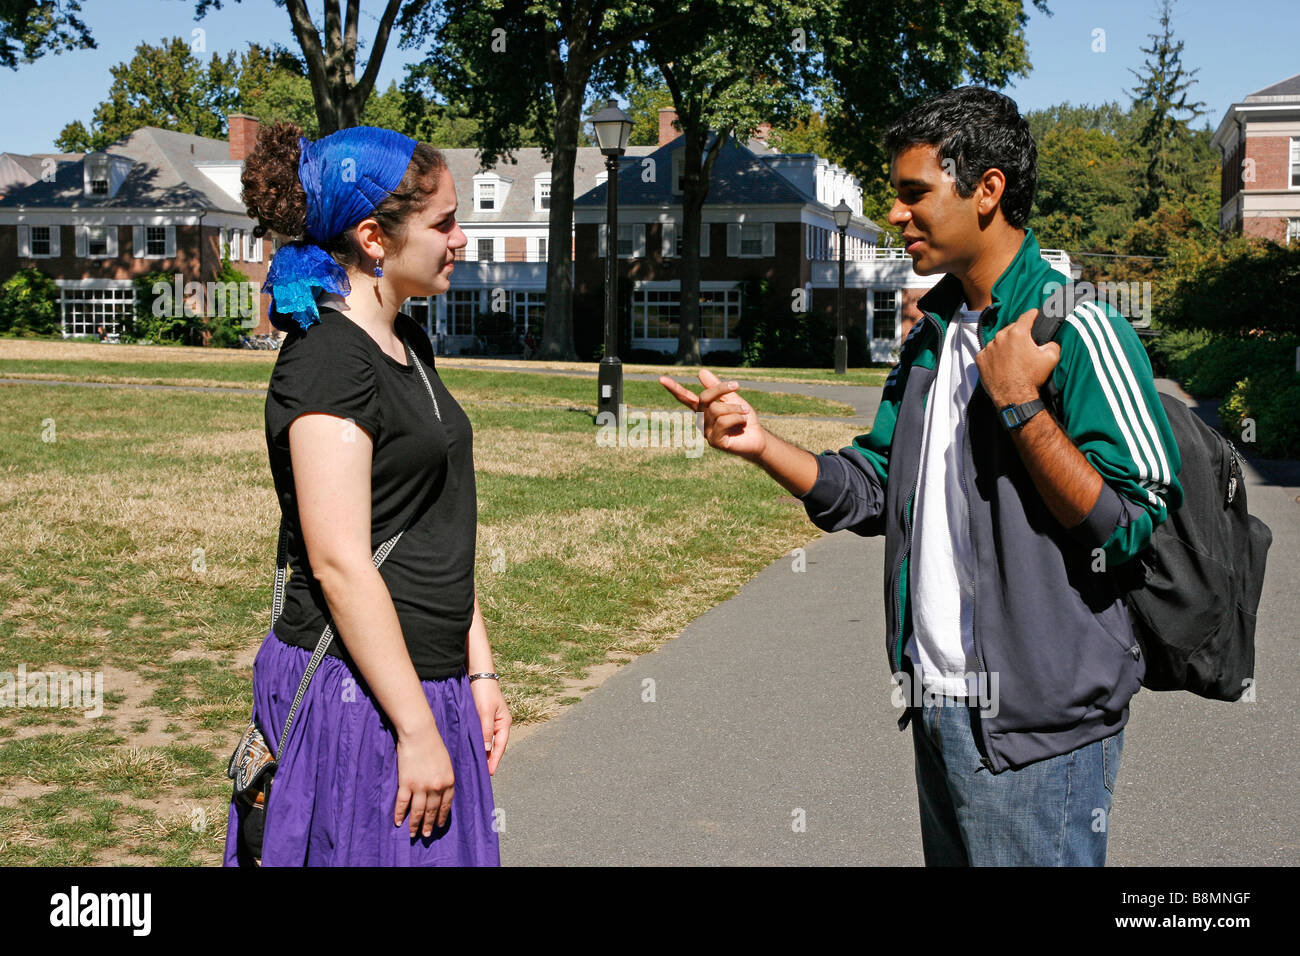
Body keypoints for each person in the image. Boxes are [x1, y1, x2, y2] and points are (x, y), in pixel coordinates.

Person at [661, 86, 1183, 866]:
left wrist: (1018, 403)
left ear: (987, 190)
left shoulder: (1073, 324)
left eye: (913, 194)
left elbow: (1134, 520)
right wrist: (762, 443)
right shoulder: (933, 335)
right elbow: (873, 487)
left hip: (1039, 726)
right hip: (937, 704)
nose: (896, 215)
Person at [223, 121, 510, 866]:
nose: (460, 240)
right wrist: (415, 729)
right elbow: (341, 563)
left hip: (427, 683)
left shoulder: (408, 342)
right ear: (373, 239)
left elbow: (433, 517)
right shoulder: (327, 359)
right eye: (444, 223)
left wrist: (477, 667)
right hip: (360, 698)